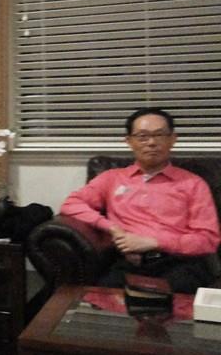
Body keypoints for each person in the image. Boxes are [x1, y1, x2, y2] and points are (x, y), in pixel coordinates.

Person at [59, 108, 220, 293]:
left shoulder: (193, 184)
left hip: (179, 263)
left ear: (173, 139)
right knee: (103, 299)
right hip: (129, 263)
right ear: (129, 141)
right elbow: (71, 204)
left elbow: (207, 240)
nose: (151, 142)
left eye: (159, 135)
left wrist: (154, 242)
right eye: (142, 136)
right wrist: (112, 228)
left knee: (171, 303)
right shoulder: (112, 178)